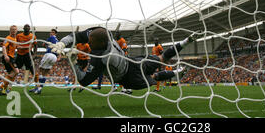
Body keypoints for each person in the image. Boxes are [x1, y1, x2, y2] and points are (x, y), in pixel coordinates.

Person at [50, 27, 199, 91]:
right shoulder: (102, 33)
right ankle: (186, 42)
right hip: (133, 61)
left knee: (154, 76)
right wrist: (63, 42)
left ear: (98, 44)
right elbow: (77, 36)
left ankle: (177, 71)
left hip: (128, 78)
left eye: (90, 41)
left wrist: (73, 62)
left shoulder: (101, 58)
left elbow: (83, 80)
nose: (87, 41)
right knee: (162, 58)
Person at [30, 29, 60, 94]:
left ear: (55, 34)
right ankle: (39, 88)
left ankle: (37, 87)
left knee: (40, 70)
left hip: (49, 54)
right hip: (54, 57)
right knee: (45, 73)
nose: (51, 33)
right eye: (51, 32)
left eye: (53, 32)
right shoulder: (58, 41)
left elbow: (44, 44)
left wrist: (47, 47)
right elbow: (59, 50)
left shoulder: (51, 38)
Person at [0, 25, 20, 96]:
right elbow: (4, 47)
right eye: (12, 29)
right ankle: (3, 86)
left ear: (17, 31)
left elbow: (17, 47)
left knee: (12, 73)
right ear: (10, 30)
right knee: (16, 71)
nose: (14, 30)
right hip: (8, 57)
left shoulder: (15, 39)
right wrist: (5, 56)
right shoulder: (8, 38)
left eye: (15, 29)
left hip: (12, 57)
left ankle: (3, 89)